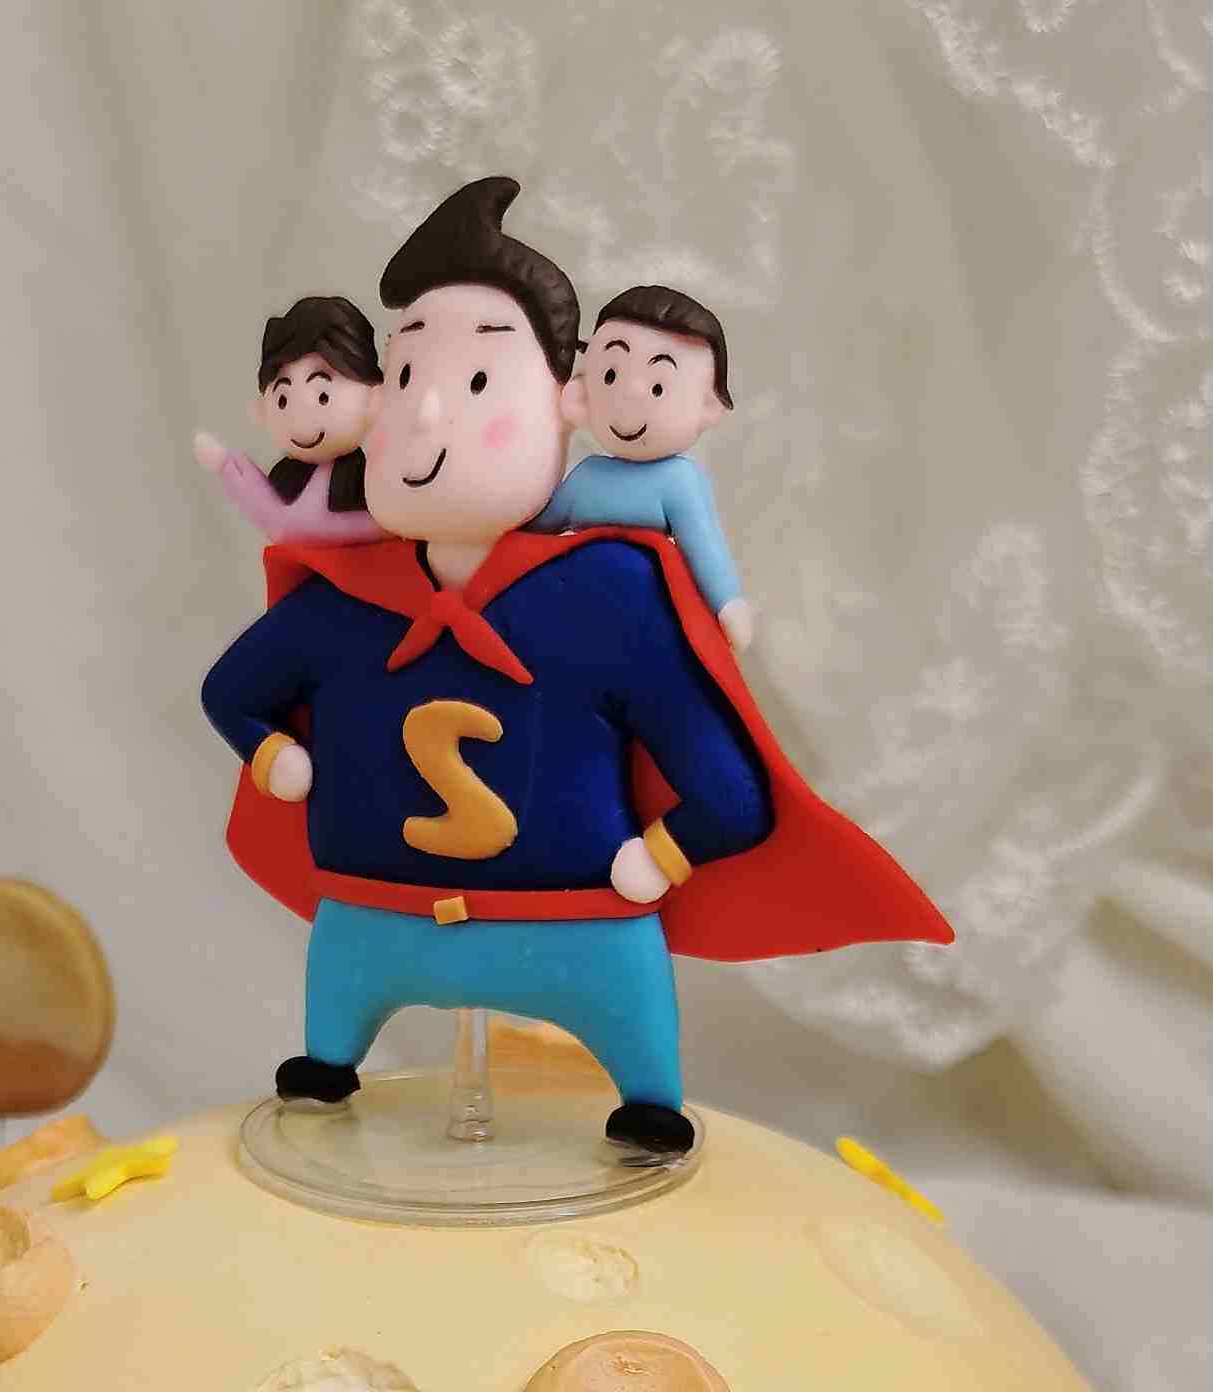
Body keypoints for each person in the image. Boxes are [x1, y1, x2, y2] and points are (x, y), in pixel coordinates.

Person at [199, 178, 948, 1156]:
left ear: (570, 405)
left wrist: (661, 856)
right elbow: (232, 693)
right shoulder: (345, 594)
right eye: (407, 371)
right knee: (328, 1047)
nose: (427, 412)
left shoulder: (606, 588)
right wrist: (270, 756)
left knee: (640, 1073)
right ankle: (333, 1052)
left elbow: (730, 792)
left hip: (579, 922)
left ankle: (643, 1088)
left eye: (476, 381)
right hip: (371, 914)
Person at [533, 286, 753, 648]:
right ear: (582, 393)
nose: (629, 398)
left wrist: (727, 602)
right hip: (573, 618)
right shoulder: (587, 476)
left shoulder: (679, 481)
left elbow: (705, 546)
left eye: (658, 387)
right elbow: (534, 532)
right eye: (610, 376)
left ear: (708, 407)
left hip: (649, 628)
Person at [191, 296, 385, 546]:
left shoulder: (369, 477)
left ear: (374, 396)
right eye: (283, 399)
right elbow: (263, 504)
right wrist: (225, 463)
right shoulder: (288, 479)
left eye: (323, 396)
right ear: (262, 409)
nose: (301, 420)